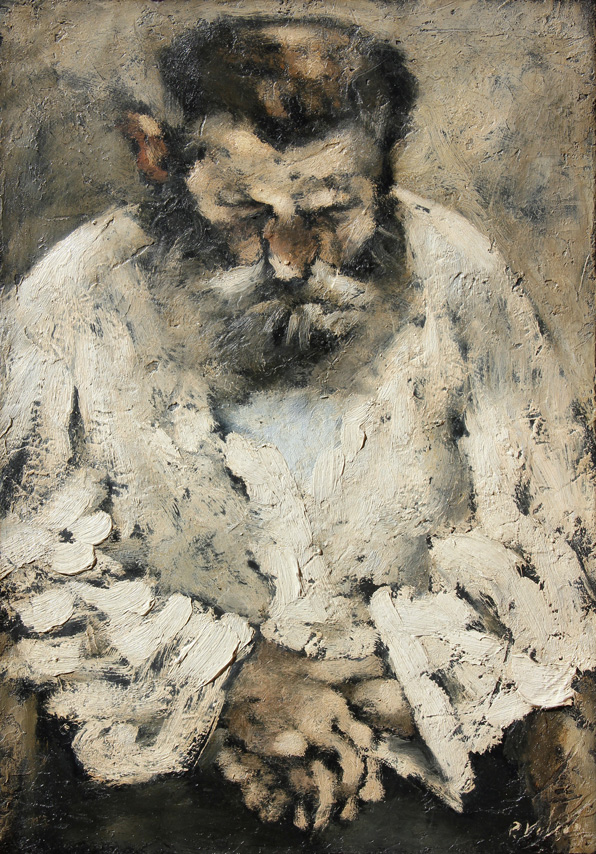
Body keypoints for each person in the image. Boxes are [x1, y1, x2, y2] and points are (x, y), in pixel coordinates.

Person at [1, 16, 595, 851]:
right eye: (244, 211)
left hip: (424, 774)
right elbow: (21, 561)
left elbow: (561, 556)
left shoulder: (460, 280)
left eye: (334, 212)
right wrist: (231, 679)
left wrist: (389, 690)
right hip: (142, 795)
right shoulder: (77, 295)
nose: (289, 258)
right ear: (158, 159)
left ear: (383, 177)